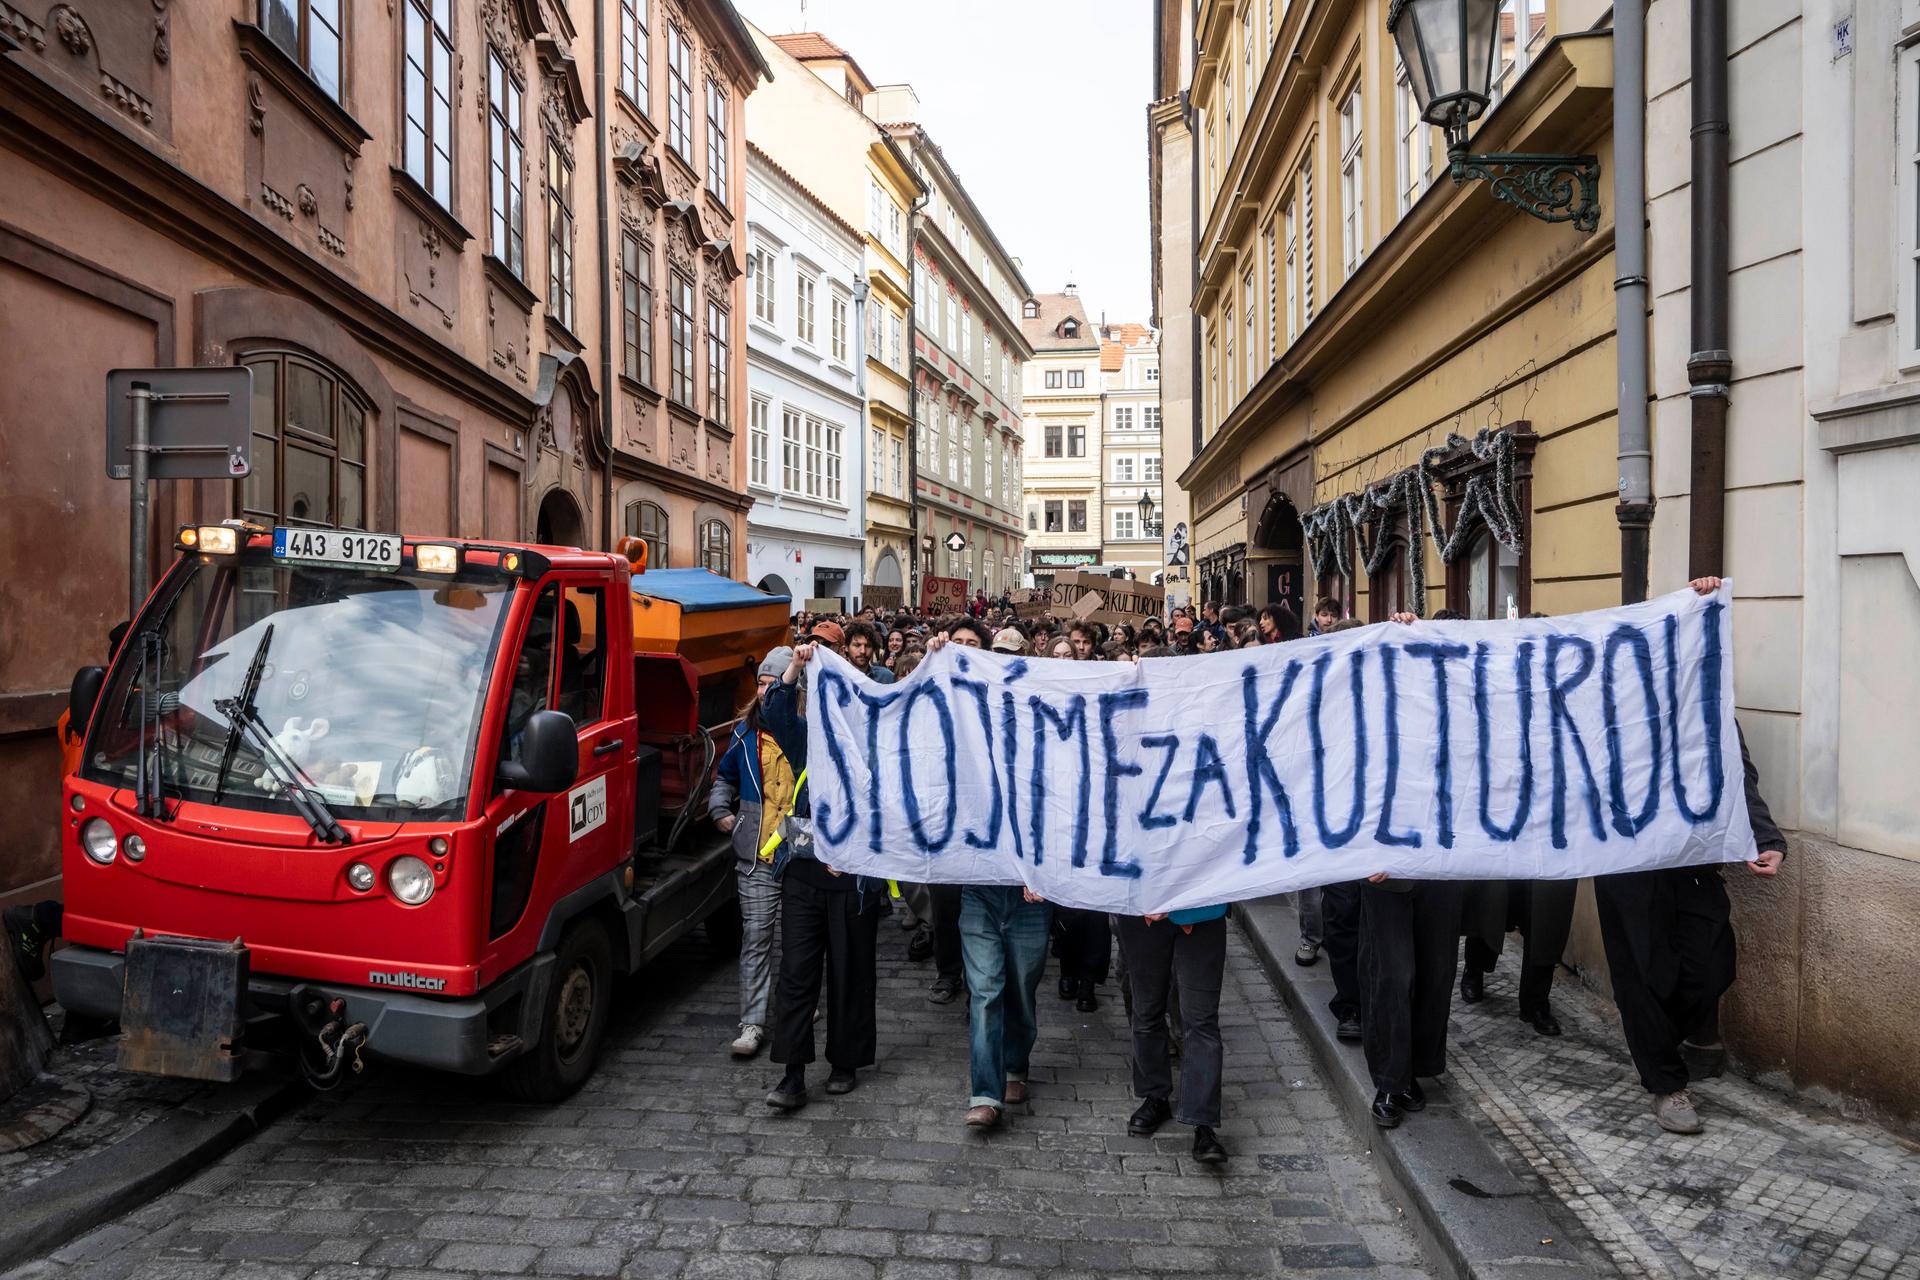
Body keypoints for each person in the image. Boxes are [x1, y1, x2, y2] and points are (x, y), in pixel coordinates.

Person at [1592, 575, 1787, 1135]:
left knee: (1712, 963)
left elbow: (1737, 777)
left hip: (1693, 862)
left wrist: (1766, 839)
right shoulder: (1606, 714)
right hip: (1627, 866)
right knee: (1644, 973)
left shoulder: (1708, 711)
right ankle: (1666, 1083)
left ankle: (1667, 1037)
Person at [760, 641, 888, 1110]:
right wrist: (795, 665)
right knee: (796, 973)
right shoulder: (805, 740)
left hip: (854, 882)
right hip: (804, 876)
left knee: (851, 971)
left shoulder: (876, 750)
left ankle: (845, 1062)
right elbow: (772, 710)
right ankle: (792, 1073)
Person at [708, 648, 799, 1058]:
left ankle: (800, 1007)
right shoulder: (745, 734)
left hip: (800, 856)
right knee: (757, 938)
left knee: (800, 941)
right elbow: (724, 777)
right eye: (761, 683)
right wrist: (720, 811)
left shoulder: (808, 730)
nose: (764, 690)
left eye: (773, 683)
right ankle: (753, 1022)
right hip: (757, 854)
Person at [1116, 906, 1230, 1163]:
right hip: (1141, 912)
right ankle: (1155, 1096)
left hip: (1202, 913)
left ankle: (1203, 1122)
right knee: (1146, 1010)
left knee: (1202, 1020)